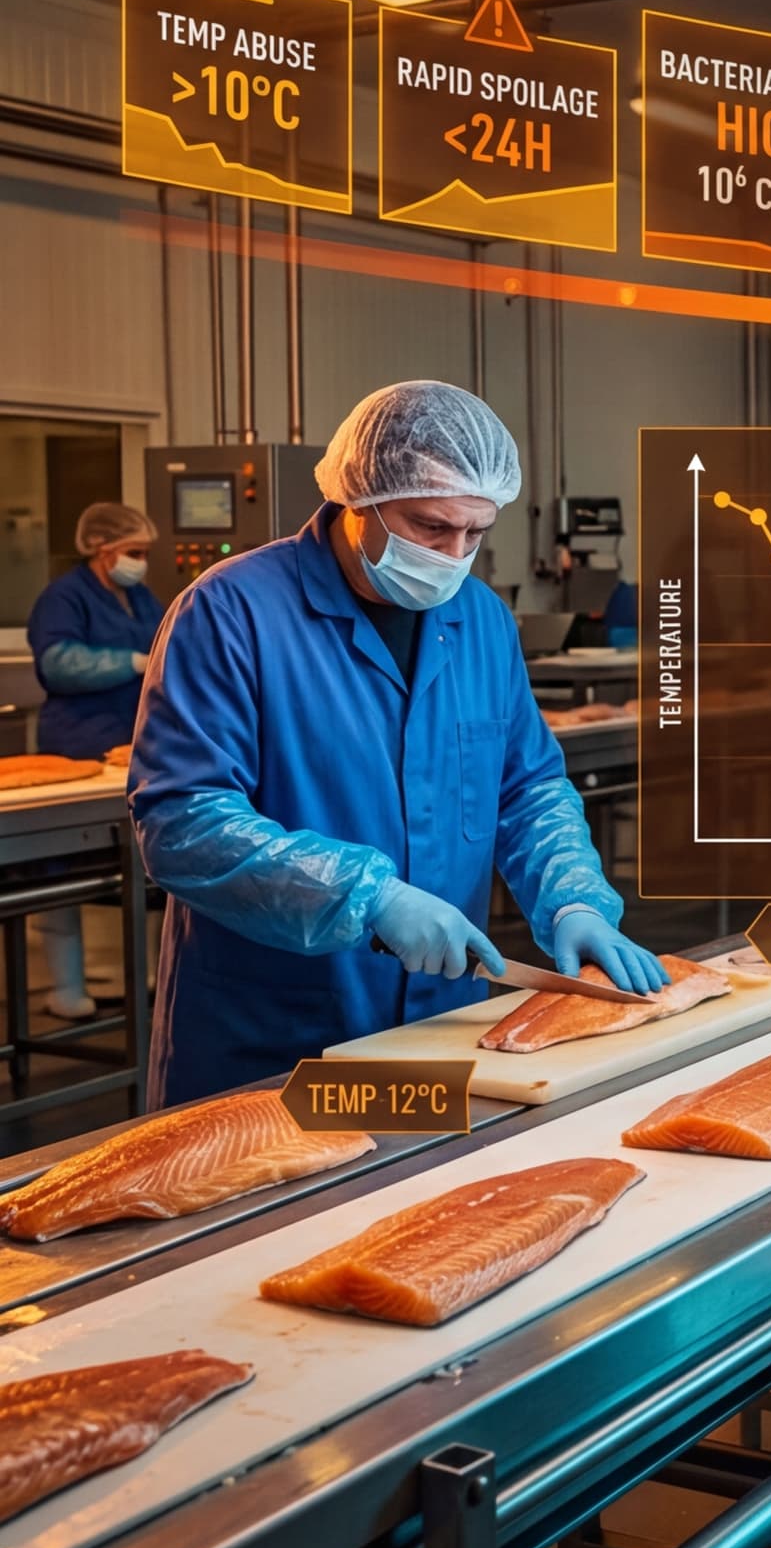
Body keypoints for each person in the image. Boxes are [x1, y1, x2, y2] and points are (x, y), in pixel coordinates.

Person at [128, 381, 668, 1106]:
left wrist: (572, 900)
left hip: (440, 1024)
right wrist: (366, 894)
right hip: (279, 1029)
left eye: (476, 534)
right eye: (430, 527)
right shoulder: (232, 611)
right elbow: (182, 822)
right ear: (360, 499)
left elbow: (527, 788)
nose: (454, 556)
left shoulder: (479, 618)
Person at [26, 502, 164, 1017]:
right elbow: (57, 663)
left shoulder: (138, 596)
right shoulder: (64, 597)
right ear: (103, 551)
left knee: (144, 864)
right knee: (61, 865)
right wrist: (128, 662)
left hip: (131, 739)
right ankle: (68, 986)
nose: (139, 562)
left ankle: (146, 977)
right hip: (77, 740)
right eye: (133, 553)